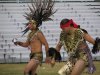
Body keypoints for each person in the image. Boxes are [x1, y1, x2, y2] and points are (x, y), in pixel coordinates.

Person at [13, 0, 56, 75]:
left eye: (30, 24)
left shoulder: (38, 33)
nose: (28, 25)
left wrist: (48, 56)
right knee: (31, 73)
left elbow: (46, 44)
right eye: (28, 24)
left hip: (37, 56)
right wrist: (18, 43)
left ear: (34, 24)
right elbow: (26, 44)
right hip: (32, 55)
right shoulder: (30, 34)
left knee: (26, 71)